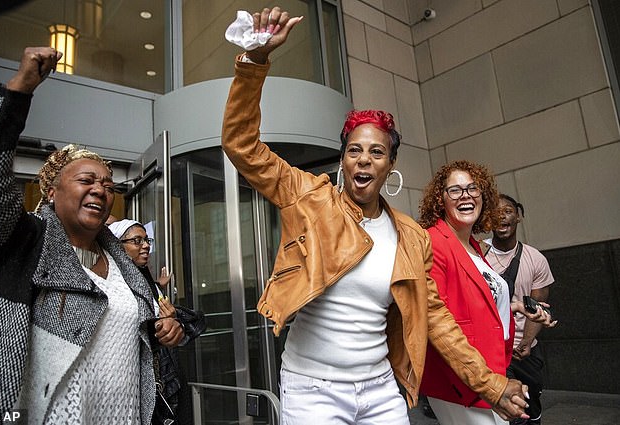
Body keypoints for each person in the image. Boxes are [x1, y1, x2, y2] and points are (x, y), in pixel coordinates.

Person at [221, 7, 533, 424]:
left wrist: (490, 384)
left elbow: (436, 320)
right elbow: (241, 145)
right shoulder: (308, 197)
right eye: (354, 150)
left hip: (381, 390)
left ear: (390, 165)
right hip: (313, 389)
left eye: (376, 152)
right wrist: (255, 60)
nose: (363, 161)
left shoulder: (410, 236)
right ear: (343, 159)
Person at [0, 47, 183, 424]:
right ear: (51, 192)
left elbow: (132, 331)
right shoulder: (25, 243)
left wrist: (163, 330)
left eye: (108, 185)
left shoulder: (126, 265)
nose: (100, 189)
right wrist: (19, 91)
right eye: (86, 180)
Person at [418, 160, 554, 425]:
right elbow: (436, 319)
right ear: (440, 199)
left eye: (472, 188)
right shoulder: (433, 241)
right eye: (455, 190)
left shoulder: (473, 246)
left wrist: (516, 308)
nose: (466, 195)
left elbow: (474, 300)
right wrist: (489, 382)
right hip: (463, 377)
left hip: (493, 366)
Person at [109, 219, 206, 425]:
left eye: (147, 240)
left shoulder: (146, 281)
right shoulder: (114, 285)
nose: (145, 246)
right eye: (137, 241)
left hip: (166, 377)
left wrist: (171, 320)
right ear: (118, 246)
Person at [484, 194, 555, 425]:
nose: (501, 215)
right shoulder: (477, 255)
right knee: (508, 414)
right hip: (491, 351)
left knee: (531, 408)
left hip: (524, 351)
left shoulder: (535, 259)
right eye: (495, 211)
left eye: (508, 210)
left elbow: (538, 307)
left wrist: (526, 343)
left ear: (518, 217)